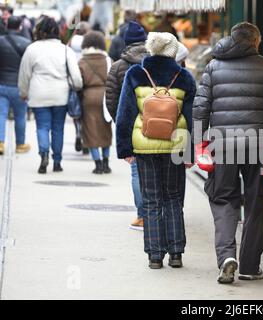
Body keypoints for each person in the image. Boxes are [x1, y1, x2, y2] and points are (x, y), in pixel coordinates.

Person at [193, 22, 263, 284]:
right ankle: (248, 266)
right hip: (258, 144)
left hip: (222, 143)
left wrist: (200, 145)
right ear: (256, 41)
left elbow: (200, 109)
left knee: (223, 198)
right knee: (256, 203)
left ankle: (226, 256)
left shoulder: (213, 66)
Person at [116, 32, 196, 269]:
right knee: (173, 198)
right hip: (176, 145)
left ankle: (154, 256)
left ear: (150, 49)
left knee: (151, 200)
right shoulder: (184, 77)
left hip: (144, 146)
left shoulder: (135, 74)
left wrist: (125, 149)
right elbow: (193, 118)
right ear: (173, 51)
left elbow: (125, 114)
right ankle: (176, 253)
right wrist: (190, 152)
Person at [18, 16, 83, 173]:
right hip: (60, 95)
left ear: (40, 32)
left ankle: (44, 154)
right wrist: (78, 87)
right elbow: (75, 76)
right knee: (58, 128)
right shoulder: (65, 50)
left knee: (42, 127)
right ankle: (57, 161)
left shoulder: (32, 49)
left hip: (38, 94)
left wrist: (24, 92)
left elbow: (24, 74)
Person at [105, 21, 148, 230]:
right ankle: (158, 212)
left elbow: (111, 99)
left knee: (136, 171)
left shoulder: (118, 66)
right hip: (158, 123)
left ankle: (142, 216)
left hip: (131, 125)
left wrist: (120, 121)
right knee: (158, 170)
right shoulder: (155, 62)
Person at [78, 31, 112, 174]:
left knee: (90, 130)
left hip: (88, 96)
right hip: (106, 96)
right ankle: (106, 162)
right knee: (106, 128)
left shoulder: (82, 61)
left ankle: (97, 164)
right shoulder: (108, 60)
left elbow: (78, 82)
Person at [0, 16, 31, 155]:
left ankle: (0, 143)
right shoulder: (26, 44)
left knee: (1, 114)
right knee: (20, 116)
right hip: (19, 87)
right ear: (20, 27)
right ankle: (20, 144)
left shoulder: (0, 42)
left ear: (7, 25)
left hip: (2, 85)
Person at [69, 21, 91, 154]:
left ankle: (77, 131)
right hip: (87, 81)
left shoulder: (71, 43)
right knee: (87, 113)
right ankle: (85, 138)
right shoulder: (89, 43)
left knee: (76, 110)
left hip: (74, 80)